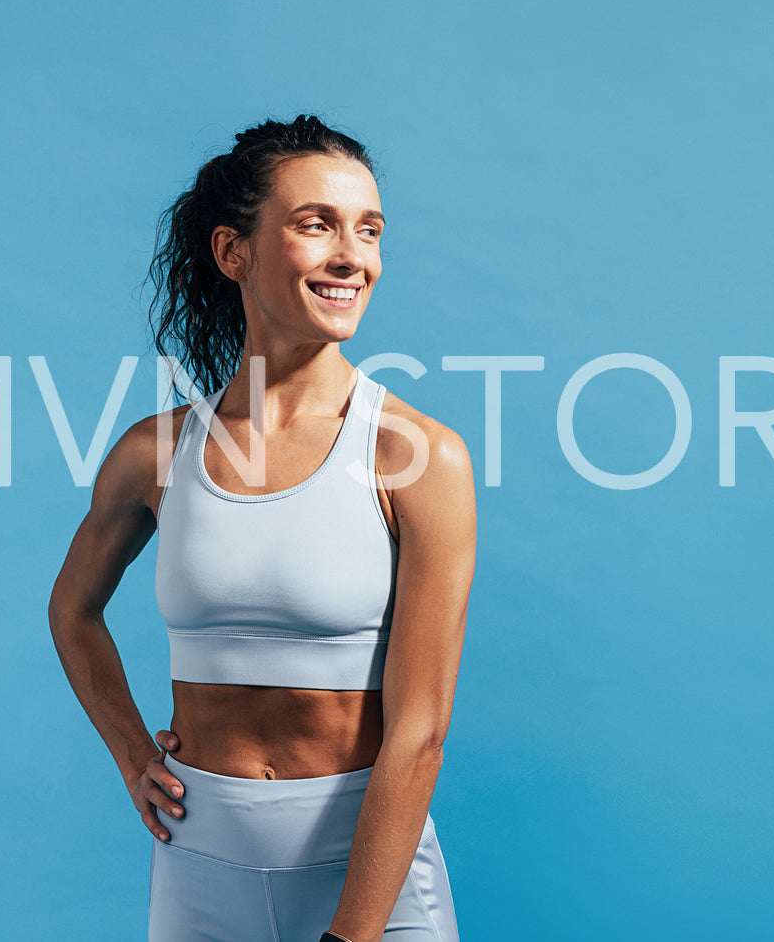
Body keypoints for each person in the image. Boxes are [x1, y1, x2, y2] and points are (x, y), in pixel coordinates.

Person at [47, 115, 476, 942]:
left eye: (369, 230)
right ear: (232, 252)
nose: (352, 255)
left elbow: (420, 736)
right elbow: (72, 610)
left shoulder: (417, 457)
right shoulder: (156, 454)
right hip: (199, 865)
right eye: (316, 224)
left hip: (368, 884)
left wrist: (351, 937)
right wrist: (134, 752)